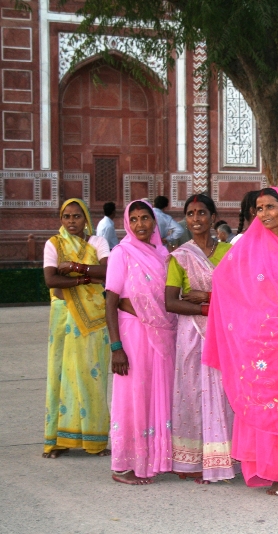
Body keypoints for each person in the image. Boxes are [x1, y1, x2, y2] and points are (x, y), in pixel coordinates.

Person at [203, 187, 278, 496]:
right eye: (259, 208)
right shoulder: (248, 245)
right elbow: (223, 280)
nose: (264, 214)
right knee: (269, 406)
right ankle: (276, 473)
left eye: (270, 207)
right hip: (262, 343)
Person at [164, 195, 237, 483]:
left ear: (213, 216)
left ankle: (224, 457)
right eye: (191, 213)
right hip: (191, 335)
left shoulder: (229, 252)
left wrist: (206, 300)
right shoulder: (181, 256)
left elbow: (239, 295)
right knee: (193, 393)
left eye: (202, 213)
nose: (196, 219)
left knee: (222, 392)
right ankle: (193, 460)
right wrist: (209, 308)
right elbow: (171, 301)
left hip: (223, 332)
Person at [105, 200, 178, 484]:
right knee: (132, 396)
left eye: (144, 218)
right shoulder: (121, 253)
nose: (139, 225)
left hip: (161, 336)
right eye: (133, 219)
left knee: (159, 393)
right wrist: (116, 348)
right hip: (133, 334)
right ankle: (123, 466)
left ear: (154, 221)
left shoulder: (163, 254)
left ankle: (158, 458)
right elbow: (111, 302)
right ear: (127, 223)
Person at [42, 198, 111, 459]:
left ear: (86, 219)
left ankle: (94, 441)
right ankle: (57, 440)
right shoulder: (54, 244)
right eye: (67, 217)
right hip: (63, 317)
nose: (72, 222)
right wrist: (86, 278)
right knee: (61, 374)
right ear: (61, 220)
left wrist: (72, 270)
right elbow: (51, 280)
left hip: (95, 318)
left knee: (93, 376)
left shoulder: (97, 242)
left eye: (77, 216)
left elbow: (108, 271)